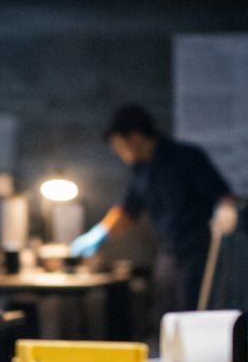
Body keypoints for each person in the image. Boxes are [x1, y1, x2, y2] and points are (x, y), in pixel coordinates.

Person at [72, 104, 239, 314]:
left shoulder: (187, 158)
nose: (119, 153)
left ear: (135, 137)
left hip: (198, 251)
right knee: (164, 313)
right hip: (168, 253)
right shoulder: (140, 169)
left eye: (120, 146)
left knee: (192, 313)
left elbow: (224, 196)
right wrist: (100, 234)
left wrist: (226, 214)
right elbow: (127, 211)